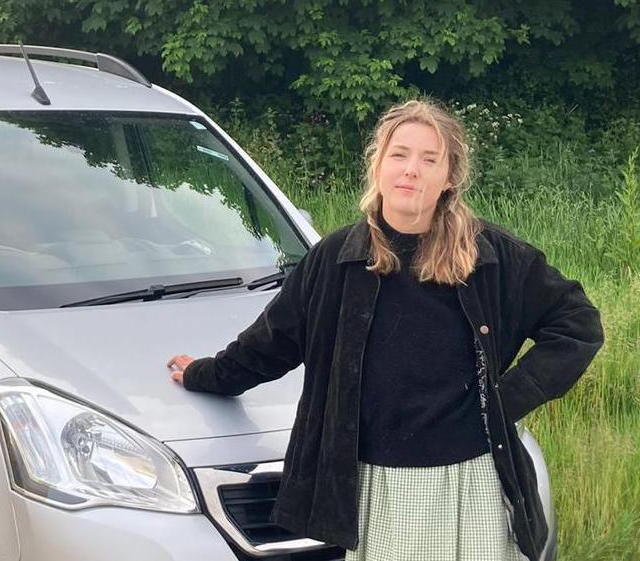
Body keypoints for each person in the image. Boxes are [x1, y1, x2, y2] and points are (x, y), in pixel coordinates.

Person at [167, 99, 603, 561]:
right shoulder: (336, 259)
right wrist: (205, 375)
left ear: (449, 177)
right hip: (378, 482)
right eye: (399, 154)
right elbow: (272, 342)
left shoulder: (492, 257)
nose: (411, 170)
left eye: (429, 159)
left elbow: (578, 326)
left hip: (470, 480)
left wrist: (506, 398)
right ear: (378, 165)